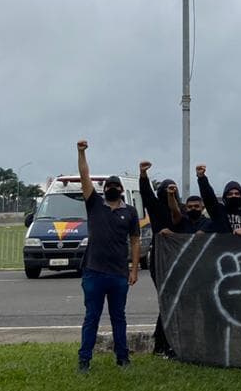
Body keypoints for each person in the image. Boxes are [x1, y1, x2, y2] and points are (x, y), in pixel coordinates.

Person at [75, 141, 140, 373]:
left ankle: (123, 358)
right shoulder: (94, 204)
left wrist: (134, 269)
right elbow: (84, 175)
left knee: (118, 318)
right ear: (104, 188)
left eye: (116, 185)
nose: (112, 188)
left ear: (121, 190)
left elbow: (134, 240)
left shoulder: (130, 212)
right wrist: (81, 152)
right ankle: (84, 360)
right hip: (93, 272)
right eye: (109, 185)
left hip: (119, 274)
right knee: (91, 317)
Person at [137, 161, 179, 358]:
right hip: (159, 259)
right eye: (165, 189)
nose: (168, 192)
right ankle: (162, 342)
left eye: (172, 190)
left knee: (172, 301)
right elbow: (146, 194)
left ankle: (161, 341)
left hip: (178, 259)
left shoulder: (181, 211)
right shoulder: (155, 208)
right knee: (166, 299)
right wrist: (143, 175)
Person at [196, 165, 241, 235]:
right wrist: (202, 178)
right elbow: (209, 198)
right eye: (230, 194)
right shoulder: (219, 212)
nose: (233, 196)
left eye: (237, 193)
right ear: (225, 197)